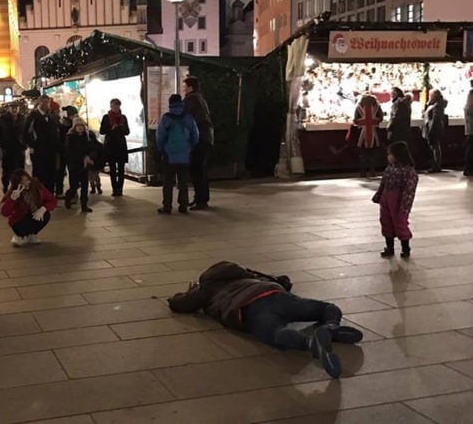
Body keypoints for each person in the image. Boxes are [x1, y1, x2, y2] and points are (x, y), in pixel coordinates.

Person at [168, 261, 363, 379]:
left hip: (247, 307)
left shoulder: (207, 287)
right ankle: (331, 327)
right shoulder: (247, 275)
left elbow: (180, 305)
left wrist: (184, 293)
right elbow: (284, 280)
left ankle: (310, 343)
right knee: (325, 308)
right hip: (272, 293)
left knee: (274, 333)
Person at [372, 141, 417, 259]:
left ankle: (405, 248)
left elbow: (409, 190)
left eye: (390, 154)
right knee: (385, 221)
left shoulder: (408, 171)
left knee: (400, 223)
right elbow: (383, 183)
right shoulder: (389, 169)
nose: (388, 157)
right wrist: (378, 195)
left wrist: (405, 206)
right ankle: (389, 247)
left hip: (399, 200)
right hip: (386, 199)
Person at [155, 94, 199, 214]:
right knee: (183, 181)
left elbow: (160, 136)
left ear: (170, 104)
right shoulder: (188, 118)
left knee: (168, 181)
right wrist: (190, 148)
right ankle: (183, 205)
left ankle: (167, 206)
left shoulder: (166, 118)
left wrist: (162, 149)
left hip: (169, 154)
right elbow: (195, 135)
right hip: (185, 154)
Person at [1, 168, 57, 246]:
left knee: (46, 215)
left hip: (34, 214)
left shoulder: (37, 186)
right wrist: (12, 199)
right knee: (22, 226)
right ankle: (20, 236)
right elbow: (5, 212)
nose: (26, 183)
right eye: (22, 182)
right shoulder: (14, 193)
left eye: (27, 180)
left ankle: (32, 234)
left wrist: (43, 208)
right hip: (20, 220)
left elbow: (52, 200)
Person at [182, 77, 214, 209]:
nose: (183, 89)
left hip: (200, 139)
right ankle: (200, 198)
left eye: (184, 86)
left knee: (197, 169)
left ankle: (201, 200)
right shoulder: (198, 98)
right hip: (204, 138)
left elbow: (195, 119)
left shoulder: (193, 99)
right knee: (198, 169)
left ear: (190, 87)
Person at [24, 95, 60, 192]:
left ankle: (49, 195)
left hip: (51, 150)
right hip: (38, 150)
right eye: (43, 102)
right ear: (39, 103)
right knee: (39, 174)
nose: (45, 104)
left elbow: (56, 132)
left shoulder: (51, 117)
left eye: (47, 102)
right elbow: (26, 133)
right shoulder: (32, 117)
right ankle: (38, 195)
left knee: (51, 174)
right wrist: (32, 145)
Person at [64, 117, 97, 212]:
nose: (80, 127)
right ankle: (68, 196)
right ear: (74, 127)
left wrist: (89, 157)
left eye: (81, 125)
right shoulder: (70, 137)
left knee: (85, 186)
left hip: (84, 165)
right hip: (74, 164)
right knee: (74, 186)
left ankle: (84, 205)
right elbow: (70, 151)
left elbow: (91, 148)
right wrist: (83, 158)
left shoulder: (86, 137)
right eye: (78, 125)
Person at [99, 98, 129, 196]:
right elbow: (102, 131)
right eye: (114, 106)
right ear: (111, 106)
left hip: (121, 146)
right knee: (112, 169)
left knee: (121, 169)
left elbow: (127, 131)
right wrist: (111, 129)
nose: (116, 108)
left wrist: (121, 127)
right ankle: (114, 189)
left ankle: (120, 189)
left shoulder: (123, 117)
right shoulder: (106, 117)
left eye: (117, 106)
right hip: (111, 146)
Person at [0, 101, 25, 192]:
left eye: (16, 108)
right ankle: (5, 185)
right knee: (7, 169)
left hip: (19, 147)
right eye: (12, 108)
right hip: (7, 147)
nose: (14, 109)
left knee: (20, 168)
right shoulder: (3, 119)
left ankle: (18, 186)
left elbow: (26, 132)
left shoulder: (22, 118)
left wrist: (25, 145)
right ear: (9, 109)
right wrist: (2, 145)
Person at [353, 92, 384, 178]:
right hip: (374, 134)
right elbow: (381, 118)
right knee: (372, 154)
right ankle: (372, 171)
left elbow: (355, 120)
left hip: (362, 135)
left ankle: (362, 172)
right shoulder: (377, 107)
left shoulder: (359, 107)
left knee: (363, 154)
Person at [422, 89, 447, 173]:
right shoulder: (435, 104)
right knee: (434, 147)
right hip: (432, 127)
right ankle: (436, 164)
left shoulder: (437, 105)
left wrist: (431, 130)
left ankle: (437, 165)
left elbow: (435, 119)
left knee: (435, 147)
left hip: (434, 128)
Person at [56, 106, 78, 198]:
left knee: (73, 173)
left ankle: (73, 191)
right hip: (63, 152)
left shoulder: (76, 124)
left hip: (72, 153)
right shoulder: (61, 125)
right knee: (60, 172)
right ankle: (59, 192)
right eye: (74, 115)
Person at [463, 80, 473, 177]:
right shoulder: (471, 95)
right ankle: (468, 168)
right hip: (471, 127)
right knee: (470, 148)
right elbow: (470, 110)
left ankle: (468, 167)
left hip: (470, 127)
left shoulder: (470, 96)